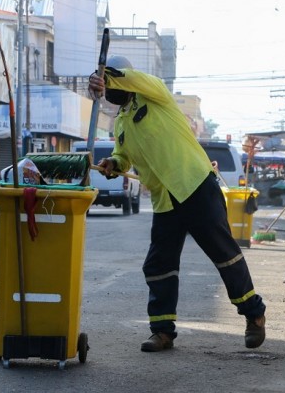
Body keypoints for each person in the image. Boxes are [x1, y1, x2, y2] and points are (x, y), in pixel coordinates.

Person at [88, 56, 266, 352]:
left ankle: (254, 314)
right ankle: (162, 331)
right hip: (165, 199)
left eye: (109, 81)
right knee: (158, 265)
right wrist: (113, 163)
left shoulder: (154, 94)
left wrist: (106, 75)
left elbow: (130, 77)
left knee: (224, 255)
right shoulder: (121, 123)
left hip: (196, 185)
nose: (108, 89)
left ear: (123, 80)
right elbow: (124, 156)